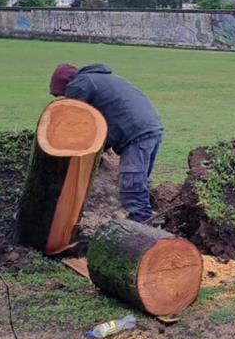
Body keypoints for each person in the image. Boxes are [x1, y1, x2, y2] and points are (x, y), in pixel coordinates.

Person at [49, 64, 163, 223]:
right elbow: (106, 118)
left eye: (62, 93)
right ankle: (147, 225)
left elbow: (74, 120)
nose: (64, 96)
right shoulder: (101, 79)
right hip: (151, 127)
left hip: (136, 133)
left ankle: (142, 229)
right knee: (139, 183)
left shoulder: (79, 84)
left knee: (132, 187)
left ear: (65, 83)